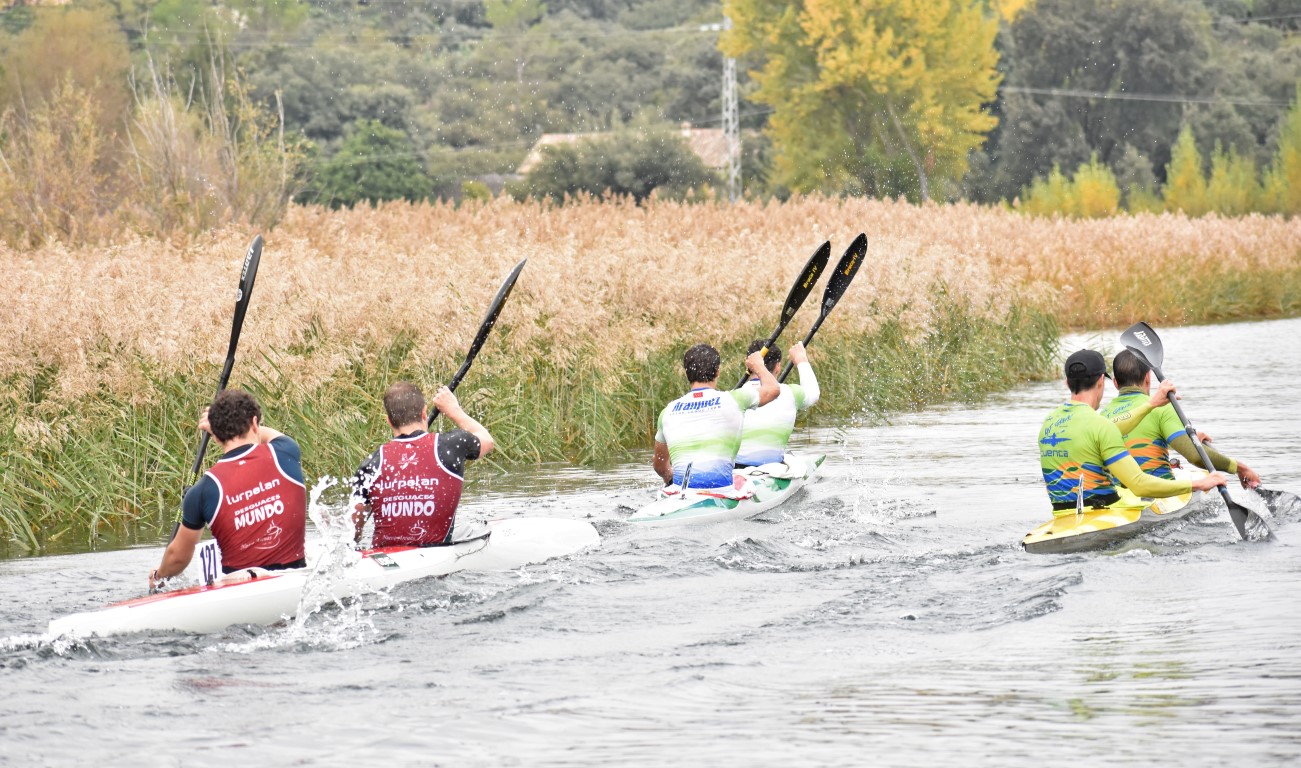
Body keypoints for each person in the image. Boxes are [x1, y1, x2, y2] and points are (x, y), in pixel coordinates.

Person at [150, 389, 307, 589]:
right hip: (295, 580)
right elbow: (265, 434)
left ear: (215, 438)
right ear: (255, 423)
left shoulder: (201, 491)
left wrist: (158, 575)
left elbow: (177, 559)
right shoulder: (285, 451)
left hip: (237, 591)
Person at [1038, 349, 1226, 514]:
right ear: (1101, 381)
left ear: (1067, 383)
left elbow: (1109, 427)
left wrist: (1151, 405)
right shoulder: (1100, 425)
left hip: (1063, 514)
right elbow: (1139, 484)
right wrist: (1198, 484)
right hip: (1107, 510)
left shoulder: (1049, 423)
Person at [351, 382, 494, 548]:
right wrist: (453, 410)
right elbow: (487, 441)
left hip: (382, 558)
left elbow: (353, 533)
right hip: (435, 558)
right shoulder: (450, 445)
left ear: (389, 421)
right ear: (424, 413)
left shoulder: (371, 463)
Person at [1101, 349, 1261, 488]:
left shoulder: (1102, 416)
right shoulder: (1161, 407)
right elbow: (1195, 456)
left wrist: (1187, 439)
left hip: (1120, 501)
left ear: (1115, 383)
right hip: (1159, 495)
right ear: (1148, 377)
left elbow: (1134, 442)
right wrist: (1240, 468)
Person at [653, 343, 779, 490]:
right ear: (718, 371)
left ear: (687, 373)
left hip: (681, 492)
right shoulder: (735, 399)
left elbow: (659, 465)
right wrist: (759, 366)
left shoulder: (667, 412)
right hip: (721, 491)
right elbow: (773, 389)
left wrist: (670, 477)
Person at [735, 340, 820, 468]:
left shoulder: (732, 396)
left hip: (737, 470)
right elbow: (813, 393)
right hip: (773, 467)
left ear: (749, 365)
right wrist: (801, 360)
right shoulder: (791, 393)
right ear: (778, 367)